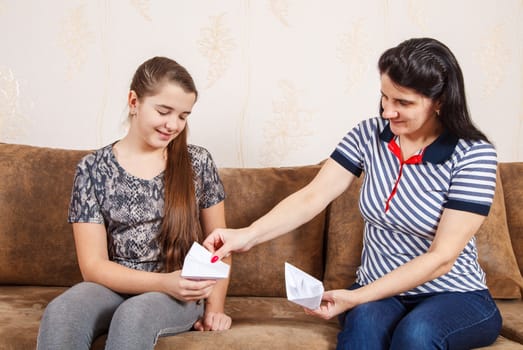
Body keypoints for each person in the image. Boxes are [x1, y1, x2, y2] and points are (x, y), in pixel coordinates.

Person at [204, 38, 502, 349]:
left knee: (416, 335)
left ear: (439, 101)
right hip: (379, 291)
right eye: (385, 97)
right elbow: (313, 196)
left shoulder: (473, 155)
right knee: (363, 335)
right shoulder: (368, 135)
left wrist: (356, 297)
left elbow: (441, 258)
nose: (388, 111)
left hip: (455, 294)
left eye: (403, 102)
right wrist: (246, 235)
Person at [37, 56, 232, 350]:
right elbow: (93, 267)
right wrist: (161, 282)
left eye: (183, 116)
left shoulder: (198, 162)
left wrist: (214, 308)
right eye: (164, 111)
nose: (173, 124)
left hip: (179, 291)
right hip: (113, 287)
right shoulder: (92, 168)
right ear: (134, 101)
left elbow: (221, 247)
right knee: (62, 311)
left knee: (134, 315)